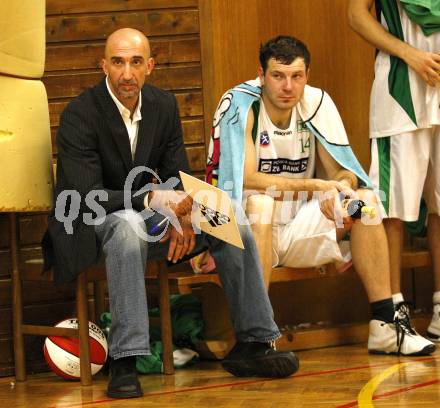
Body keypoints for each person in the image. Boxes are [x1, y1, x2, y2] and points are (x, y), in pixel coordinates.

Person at [43, 28, 298, 399]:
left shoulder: (163, 105)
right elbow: (86, 196)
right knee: (129, 225)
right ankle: (125, 359)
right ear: (104, 66)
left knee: (231, 218)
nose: (126, 73)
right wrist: (151, 199)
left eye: (134, 62)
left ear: (151, 66)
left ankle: (254, 342)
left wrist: (181, 215)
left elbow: (177, 177)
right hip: (90, 225)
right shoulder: (79, 114)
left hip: (155, 218)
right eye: (117, 62)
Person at [206, 35, 436, 358]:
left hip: (299, 227)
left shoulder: (315, 102)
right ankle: (256, 338)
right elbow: (246, 181)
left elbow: (345, 171)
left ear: (306, 76)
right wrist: (316, 187)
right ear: (261, 74)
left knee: (365, 203)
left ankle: (385, 324)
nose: (288, 86)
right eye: (278, 76)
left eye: (296, 77)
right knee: (261, 202)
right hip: (249, 230)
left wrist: (338, 188)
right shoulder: (241, 104)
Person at [348, 0, 440, 341]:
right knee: (391, 209)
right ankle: (392, 314)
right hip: (401, 88)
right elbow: (356, 15)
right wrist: (409, 54)